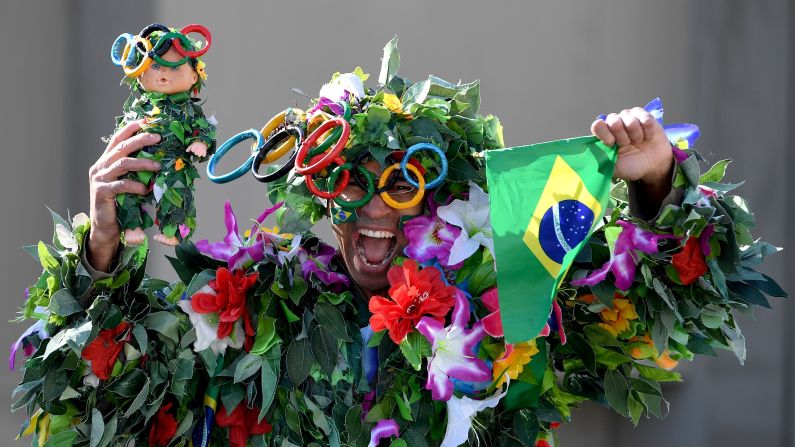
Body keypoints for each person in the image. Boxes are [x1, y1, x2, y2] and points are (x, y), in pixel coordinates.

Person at [84, 106, 678, 293]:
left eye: (400, 183)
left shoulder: (507, 321)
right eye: (350, 180)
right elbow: (104, 388)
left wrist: (656, 184)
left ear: (439, 204)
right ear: (322, 196)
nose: (374, 207)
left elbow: (656, 299)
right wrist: (104, 246)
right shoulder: (259, 314)